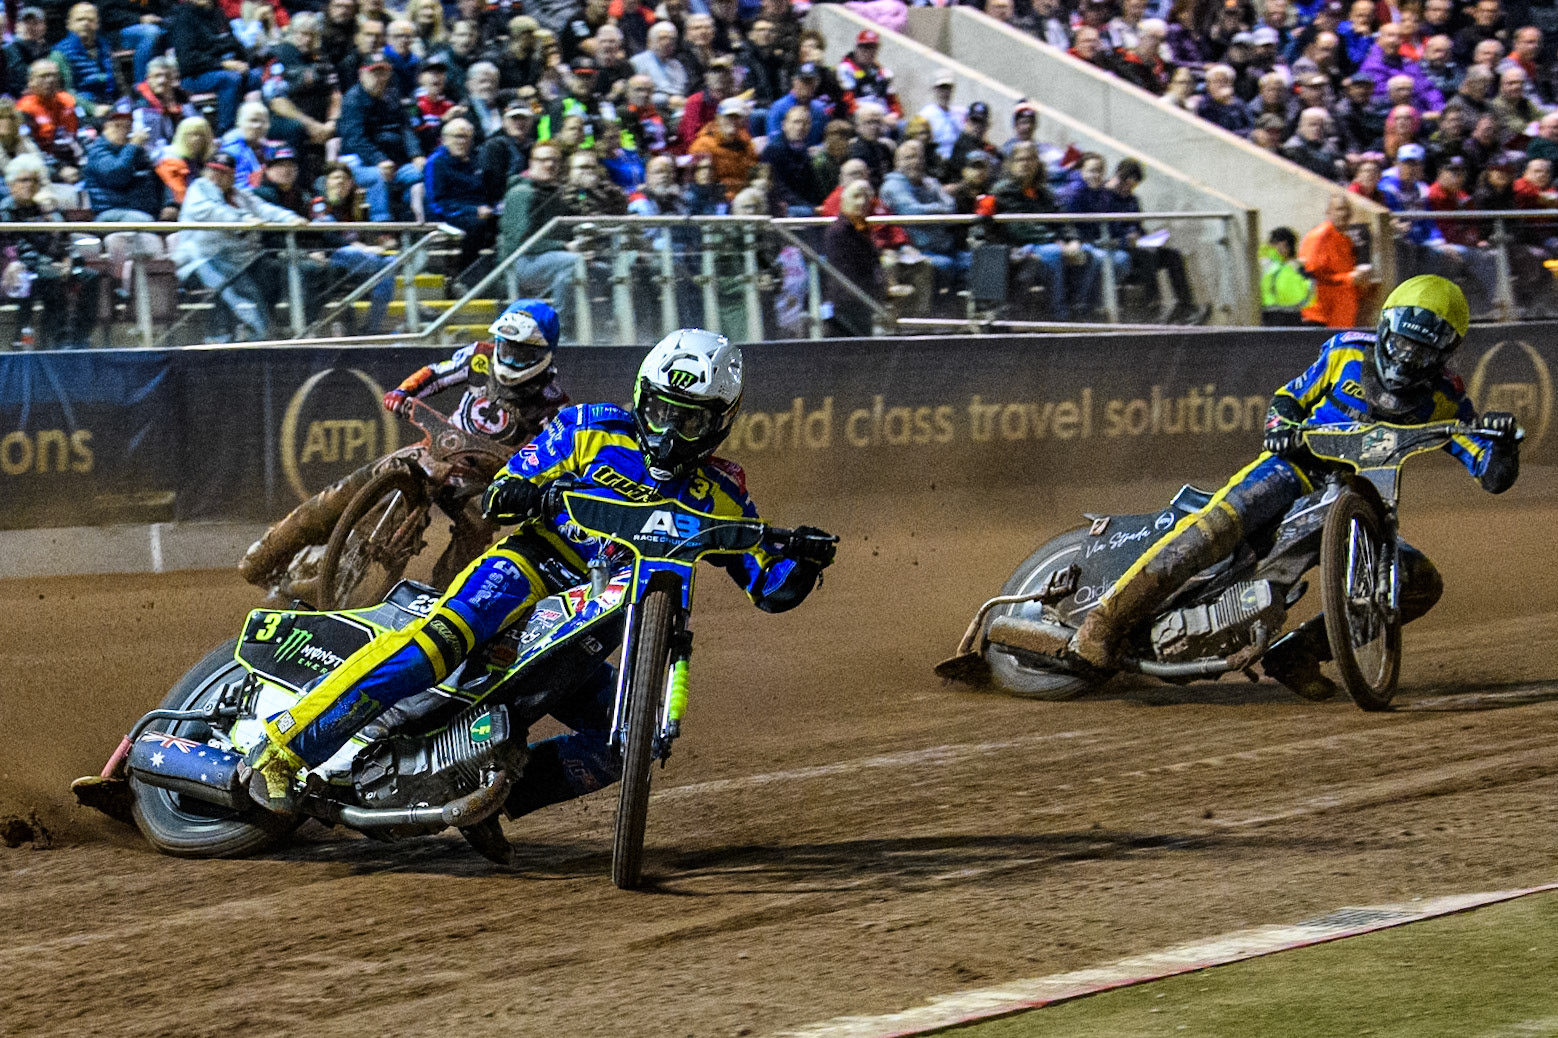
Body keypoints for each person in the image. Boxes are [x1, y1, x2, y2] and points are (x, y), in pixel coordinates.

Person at [238, 329, 836, 816]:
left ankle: (492, 801)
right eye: (659, 411)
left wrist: (803, 563)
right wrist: (529, 494)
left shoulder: (722, 492)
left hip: (593, 627)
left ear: (720, 422)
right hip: (530, 568)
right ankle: (284, 749)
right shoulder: (590, 425)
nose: (667, 432)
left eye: (689, 422)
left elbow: (769, 587)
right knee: (438, 646)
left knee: (625, 745)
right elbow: (504, 491)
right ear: (639, 396)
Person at [1069, 276, 1521, 700]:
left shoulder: (1447, 400)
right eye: (1402, 343)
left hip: (1363, 497)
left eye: (1421, 352)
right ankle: (1103, 624)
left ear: (1445, 354)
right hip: (1294, 467)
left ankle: (1297, 652)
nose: (1406, 358)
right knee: (1219, 524)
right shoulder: (1345, 351)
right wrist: (1281, 425)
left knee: (1420, 582)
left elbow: (1491, 474)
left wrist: (1503, 445)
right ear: (1385, 329)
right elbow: (1290, 397)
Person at [240, 298, 571, 604]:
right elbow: (436, 374)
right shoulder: (480, 356)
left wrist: (520, 474)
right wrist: (403, 391)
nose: (509, 358)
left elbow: (547, 455)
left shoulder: (552, 403)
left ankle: (444, 599)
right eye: (505, 347)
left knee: (476, 532)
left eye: (521, 353)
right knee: (355, 485)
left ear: (544, 355)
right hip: (437, 448)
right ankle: (269, 551)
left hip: (483, 478)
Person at [172, 151, 304, 340]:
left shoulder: (240, 195)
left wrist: (289, 217)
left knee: (273, 273)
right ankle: (240, 336)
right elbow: (210, 212)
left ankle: (261, 332)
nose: (216, 177)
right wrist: (243, 218)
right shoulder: (199, 188)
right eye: (212, 171)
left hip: (235, 261)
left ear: (232, 176)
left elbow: (263, 208)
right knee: (236, 285)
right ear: (205, 172)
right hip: (197, 260)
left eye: (223, 173)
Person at [0, 154, 102, 348]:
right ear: (11, 184)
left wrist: (69, 259)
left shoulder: (46, 210)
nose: (29, 185)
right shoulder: (5, 212)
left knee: (90, 277)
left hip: (51, 266)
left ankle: (80, 338)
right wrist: (51, 265)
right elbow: (16, 249)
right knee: (49, 278)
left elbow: (66, 240)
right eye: (24, 180)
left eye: (34, 180)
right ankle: (50, 340)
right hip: (22, 270)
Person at [84, 104, 170, 220]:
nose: (124, 131)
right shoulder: (98, 152)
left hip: (141, 211)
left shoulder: (135, 152)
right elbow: (117, 175)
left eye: (128, 126)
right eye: (117, 126)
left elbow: (158, 179)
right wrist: (133, 146)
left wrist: (169, 204)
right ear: (106, 128)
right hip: (112, 212)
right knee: (143, 221)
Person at [1299, 193, 1371, 326]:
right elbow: (1312, 274)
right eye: (1339, 209)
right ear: (1328, 212)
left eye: (1347, 210)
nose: (1344, 214)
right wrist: (1349, 278)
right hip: (1321, 316)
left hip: (1341, 319)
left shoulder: (1345, 239)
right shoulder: (1320, 237)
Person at [1259, 225, 1315, 324]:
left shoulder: (1297, 266)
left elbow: (1310, 292)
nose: (1280, 248)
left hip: (1288, 315)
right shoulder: (1264, 264)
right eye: (1276, 243)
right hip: (1272, 314)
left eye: (1285, 244)